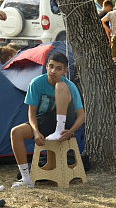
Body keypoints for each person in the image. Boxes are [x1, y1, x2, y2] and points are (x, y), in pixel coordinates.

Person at [9, 52, 85, 188]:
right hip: (44, 120)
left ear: (65, 71)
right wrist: (36, 131)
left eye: (58, 68)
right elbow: (31, 113)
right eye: (51, 66)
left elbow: (81, 115)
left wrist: (70, 131)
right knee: (16, 132)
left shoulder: (69, 86)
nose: (53, 71)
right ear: (46, 66)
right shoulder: (36, 83)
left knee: (60, 86)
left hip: (66, 122)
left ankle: (59, 129)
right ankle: (26, 178)